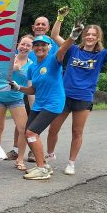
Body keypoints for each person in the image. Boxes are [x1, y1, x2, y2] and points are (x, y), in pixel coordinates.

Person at [46, 9, 107, 175]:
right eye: (87, 34)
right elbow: (55, 35)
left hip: (83, 98)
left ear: (98, 38)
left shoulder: (101, 55)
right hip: (64, 95)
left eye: (93, 35)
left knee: (77, 131)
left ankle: (71, 163)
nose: (90, 37)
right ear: (83, 36)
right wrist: (60, 18)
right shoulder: (73, 50)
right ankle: (49, 156)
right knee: (53, 129)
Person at [11, 24, 81, 180]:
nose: (39, 48)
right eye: (36, 45)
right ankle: (42, 164)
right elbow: (32, 90)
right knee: (28, 132)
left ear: (49, 47)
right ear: (33, 49)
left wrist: (73, 37)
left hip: (53, 104)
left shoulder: (53, 59)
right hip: (39, 104)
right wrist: (18, 87)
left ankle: (42, 168)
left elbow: (63, 50)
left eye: (43, 45)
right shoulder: (32, 67)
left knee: (31, 133)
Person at [0, 35, 33, 170]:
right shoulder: (7, 59)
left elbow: (30, 88)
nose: (24, 47)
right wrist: (13, 68)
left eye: (28, 45)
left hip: (16, 99)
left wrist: (34, 107)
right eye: (23, 44)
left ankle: (19, 159)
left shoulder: (31, 66)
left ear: (32, 49)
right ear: (18, 45)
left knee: (22, 129)